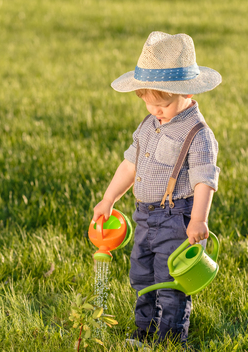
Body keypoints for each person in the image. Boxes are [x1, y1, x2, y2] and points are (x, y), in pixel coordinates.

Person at [91, 32, 221, 346]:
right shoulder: (150, 124)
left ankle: (170, 339)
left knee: (170, 280)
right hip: (144, 217)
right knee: (142, 275)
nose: (154, 110)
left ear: (186, 93)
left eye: (162, 104)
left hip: (177, 217)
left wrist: (199, 220)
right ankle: (144, 332)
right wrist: (109, 198)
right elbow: (130, 164)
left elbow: (205, 178)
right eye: (148, 103)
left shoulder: (197, 134)